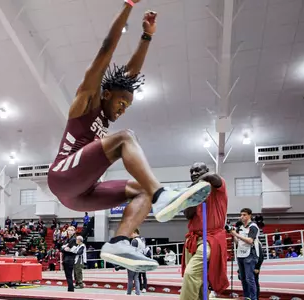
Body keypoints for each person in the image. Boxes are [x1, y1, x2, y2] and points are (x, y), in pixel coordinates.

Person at [47, 0, 212, 273]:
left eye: (128, 107)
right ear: (107, 95)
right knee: (125, 138)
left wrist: (147, 36)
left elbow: (130, 75)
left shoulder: (114, 97)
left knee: (142, 190)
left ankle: (120, 240)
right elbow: (106, 49)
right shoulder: (86, 101)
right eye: (122, 104)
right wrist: (128, 6)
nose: (123, 110)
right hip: (62, 176)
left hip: (80, 195)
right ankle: (162, 194)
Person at [181, 162, 229, 300]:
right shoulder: (193, 193)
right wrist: (191, 196)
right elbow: (188, 214)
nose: (194, 174)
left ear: (205, 170)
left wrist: (194, 184)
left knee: (190, 274)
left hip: (210, 239)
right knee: (200, 281)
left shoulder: (218, 187)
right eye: (191, 172)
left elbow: (213, 176)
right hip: (193, 239)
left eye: (197, 170)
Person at [230, 208, 259, 300]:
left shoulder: (253, 226)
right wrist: (233, 234)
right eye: (241, 215)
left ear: (250, 215)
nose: (242, 216)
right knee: (242, 278)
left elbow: (250, 241)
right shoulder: (241, 228)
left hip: (250, 254)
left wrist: (236, 234)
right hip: (240, 254)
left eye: (244, 215)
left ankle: (253, 298)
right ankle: (247, 297)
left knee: (249, 279)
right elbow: (237, 242)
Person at [61, 226, 78, 292]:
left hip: (69, 259)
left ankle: (71, 289)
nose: (69, 231)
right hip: (66, 259)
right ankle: (70, 288)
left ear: (74, 231)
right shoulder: (67, 239)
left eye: (71, 230)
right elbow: (62, 249)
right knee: (68, 276)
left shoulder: (73, 239)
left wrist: (65, 248)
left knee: (69, 276)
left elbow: (69, 249)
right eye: (68, 230)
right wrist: (65, 248)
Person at [127, 229, 144, 295]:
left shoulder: (134, 241)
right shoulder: (141, 241)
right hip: (139, 261)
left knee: (130, 278)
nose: (130, 235)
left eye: (131, 233)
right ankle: (138, 292)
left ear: (134, 232)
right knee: (136, 278)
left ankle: (129, 293)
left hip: (133, 261)